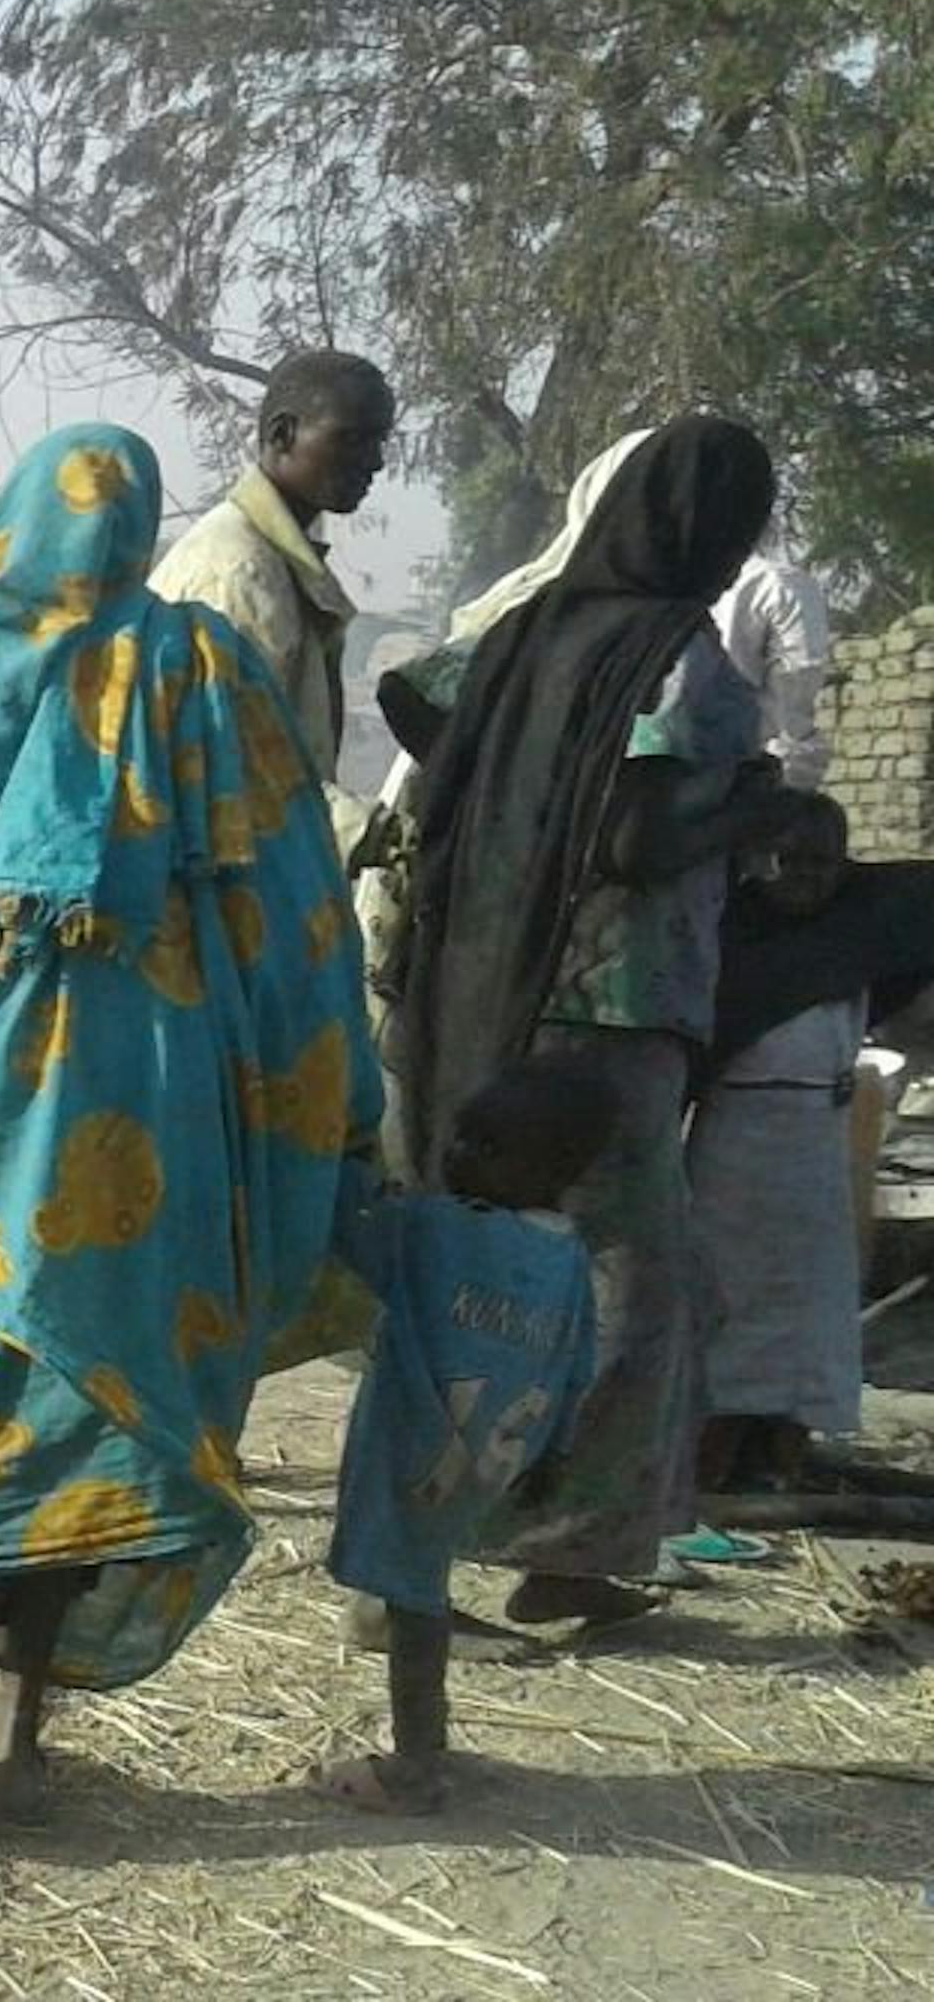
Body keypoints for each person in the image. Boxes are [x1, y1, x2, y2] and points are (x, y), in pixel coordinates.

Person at [0, 424, 379, 1812]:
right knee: (88, 1400)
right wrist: (331, 1095)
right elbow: (298, 909)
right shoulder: (209, 671)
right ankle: (22, 1732)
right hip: (161, 1108)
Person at [382, 415, 812, 1627]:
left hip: (476, 989)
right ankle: (569, 1553)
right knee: (635, 1287)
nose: (737, 556)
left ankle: (412, 1532)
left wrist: (527, 794)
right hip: (608, 1014)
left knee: (463, 1265)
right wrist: (765, 815)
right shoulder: (684, 658)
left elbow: (419, 700)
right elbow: (640, 838)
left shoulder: (524, 633)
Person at [322, 1056, 613, 1814]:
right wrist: (554, 1455)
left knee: (419, 1604)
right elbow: (576, 1363)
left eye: (487, 1146)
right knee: (423, 1583)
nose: (458, 1154)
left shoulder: (439, 1231)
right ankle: (420, 1740)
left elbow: (354, 1223)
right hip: (490, 1460)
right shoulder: (566, 1256)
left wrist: (328, 1143)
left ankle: (417, 1766)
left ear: (552, 1168)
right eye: (461, 1136)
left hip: (419, 1450)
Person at [148, 349, 398, 854]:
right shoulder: (237, 573)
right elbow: (232, 768)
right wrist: (364, 831)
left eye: (379, 441)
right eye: (351, 438)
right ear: (283, 435)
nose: (374, 461)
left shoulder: (278, 561)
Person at [691, 796, 865, 1494]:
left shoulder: (852, 944)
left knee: (811, 1313)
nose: (806, 879)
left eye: (823, 865)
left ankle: (783, 1461)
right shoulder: (728, 939)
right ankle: (706, 1469)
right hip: (737, 1147)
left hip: (814, 1147)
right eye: (790, 861)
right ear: (759, 862)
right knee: (730, 1308)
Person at [713, 550, 834, 790]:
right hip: (739, 788)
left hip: (652, 786)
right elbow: (791, 724)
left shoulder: (775, 586)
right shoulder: (780, 585)